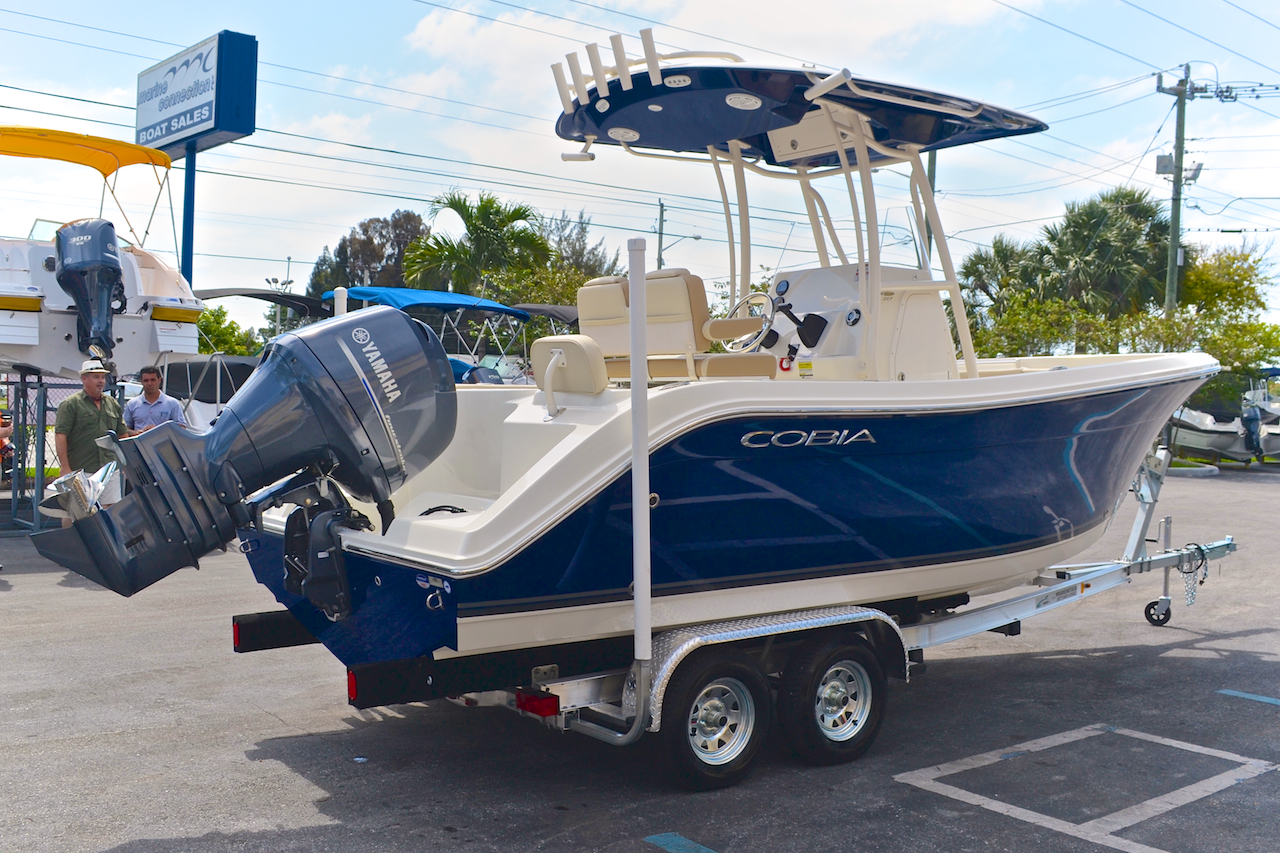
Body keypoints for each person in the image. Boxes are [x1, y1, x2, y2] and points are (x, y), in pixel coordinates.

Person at [55, 359, 129, 513]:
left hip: (109, 467)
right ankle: (74, 538)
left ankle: (107, 538)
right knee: (76, 513)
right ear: (84, 379)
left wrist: (125, 462)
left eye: (102, 377)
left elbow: (122, 434)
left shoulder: (112, 404)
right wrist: (65, 467)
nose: (101, 381)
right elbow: (60, 435)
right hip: (81, 468)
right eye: (96, 377)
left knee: (111, 509)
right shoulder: (70, 404)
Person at [124, 365, 187, 433]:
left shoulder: (172, 403)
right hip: (139, 442)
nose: (149, 383)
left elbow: (181, 428)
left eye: (153, 380)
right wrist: (137, 433)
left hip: (163, 443)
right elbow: (124, 429)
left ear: (159, 380)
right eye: (146, 380)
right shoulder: (132, 404)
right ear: (141, 381)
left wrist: (158, 431)